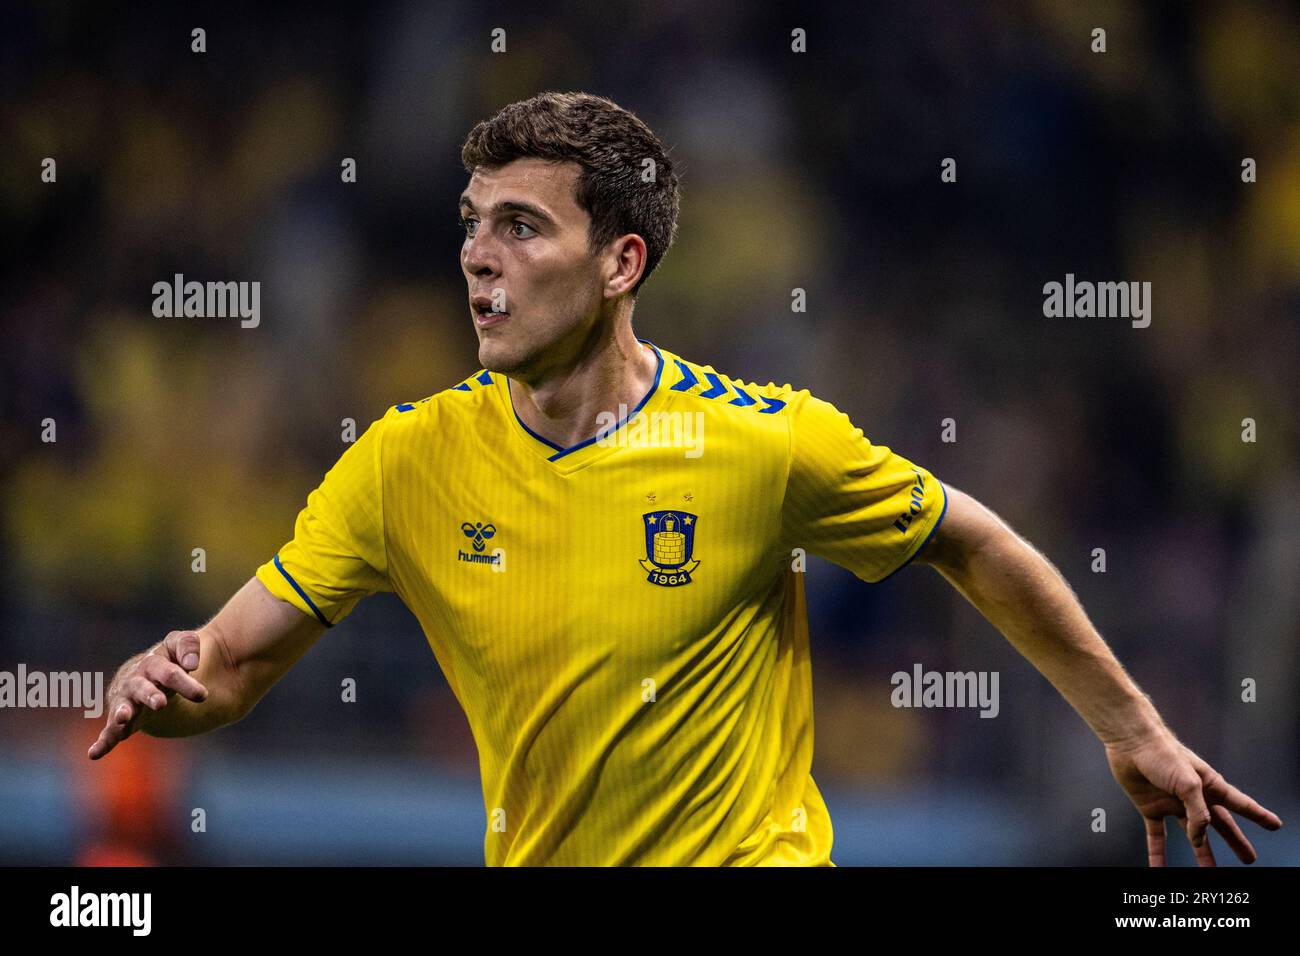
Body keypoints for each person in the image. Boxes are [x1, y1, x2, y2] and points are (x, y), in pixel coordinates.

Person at [89, 91, 1282, 867]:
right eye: (471, 223)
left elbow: (976, 540)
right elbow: (231, 662)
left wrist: (1132, 730)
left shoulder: (763, 441)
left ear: (621, 261)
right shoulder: (406, 460)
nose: (475, 256)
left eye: (520, 226)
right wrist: (166, 680)